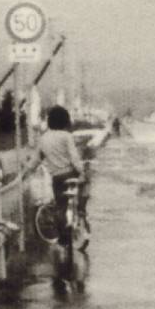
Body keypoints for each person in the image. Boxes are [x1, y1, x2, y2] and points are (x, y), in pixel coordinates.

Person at [26, 104, 88, 245]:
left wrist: (26, 171)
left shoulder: (43, 139)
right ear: (65, 120)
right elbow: (74, 157)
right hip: (70, 174)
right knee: (85, 185)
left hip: (57, 178)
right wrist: (82, 172)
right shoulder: (66, 136)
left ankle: (63, 236)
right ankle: (82, 210)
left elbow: (35, 160)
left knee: (61, 205)